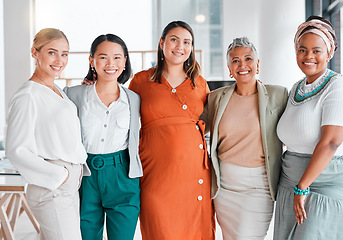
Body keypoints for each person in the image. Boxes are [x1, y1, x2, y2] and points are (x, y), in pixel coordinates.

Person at [274, 16, 343, 240]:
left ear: (330, 52)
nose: (309, 56)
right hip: (291, 181)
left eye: (316, 50)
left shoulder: (339, 87)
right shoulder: (297, 88)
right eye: (302, 50)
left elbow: (331, 142)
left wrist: (303, 186)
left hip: (327, 185)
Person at [128, 21, 215, 239]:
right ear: (162, 43)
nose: (180, 46)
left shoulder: (200, 84)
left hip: (194, 172)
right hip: (154, 172)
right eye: (174, 40)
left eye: (187, 42)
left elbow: (217, 119)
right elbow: (121, 114)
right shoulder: (141, 80)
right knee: (158, 229)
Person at [201, 37, 288, 239]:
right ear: (229, 68)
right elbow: (193, 126)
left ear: (257, 64)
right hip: (225, 187)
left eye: (248, 59)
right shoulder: (216, 98)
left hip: (259, 187)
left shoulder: (278, 94)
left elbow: (297, 127)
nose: (242, 65)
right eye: (235, 60)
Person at [5, 28, 88, 240]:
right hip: (53, 187)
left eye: (65, 53)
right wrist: (60, 176)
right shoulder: (28, 96)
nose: (59, 60)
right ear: (35, 52)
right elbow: (16, 149)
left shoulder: (57, 90)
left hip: (66, 186)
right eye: (52, 52)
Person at [64, 34, 142, 240]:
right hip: (84, 175)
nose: (110, 63)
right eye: (103, 57)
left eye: (117, 57)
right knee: (85, 235)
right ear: (92, 61)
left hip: (123, 175)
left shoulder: (134, 99)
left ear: (125, 61)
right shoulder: (72, 94)